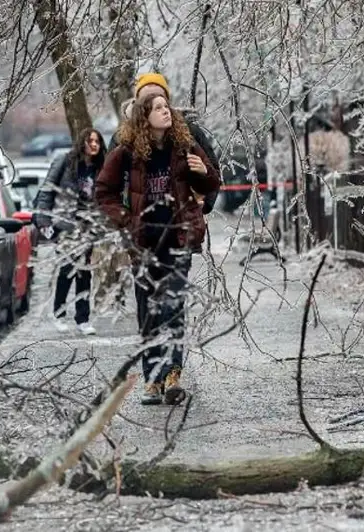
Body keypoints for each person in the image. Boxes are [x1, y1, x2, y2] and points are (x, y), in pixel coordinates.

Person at [95, 93, 221, 405]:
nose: (167, 112)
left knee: (173, 305)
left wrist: (202, 174)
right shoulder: (126, 151)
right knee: (149, 311)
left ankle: (172, 374)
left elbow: (212, 183)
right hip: (144, 243)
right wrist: (125, 219)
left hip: (179, 238)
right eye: (159, 108)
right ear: (144, 116)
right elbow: (103, 190)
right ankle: (152, 378)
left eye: (167, 107)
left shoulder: (185, 145)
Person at [108, 72, 221, 215]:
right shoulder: (122, 138)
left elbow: (212, 170)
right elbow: (108, 184)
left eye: (158, 96)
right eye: (147, 98)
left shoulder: (188, 132)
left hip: (182, 224)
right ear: (137, 102)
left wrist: (204, 205)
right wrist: (120, 215)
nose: (153, 100)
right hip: (140, 226)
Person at [35, 128, 107, 335]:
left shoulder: (101, 168)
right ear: (81, 142)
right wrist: (44, 220)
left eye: (97, 141)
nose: (94, 145)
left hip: (89, 226)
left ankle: (83, 318)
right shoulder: (65, 161)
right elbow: (47, 190)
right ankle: (59, 313)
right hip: (66, 224)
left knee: (85, 272)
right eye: (90, 140)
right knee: (67, 269)